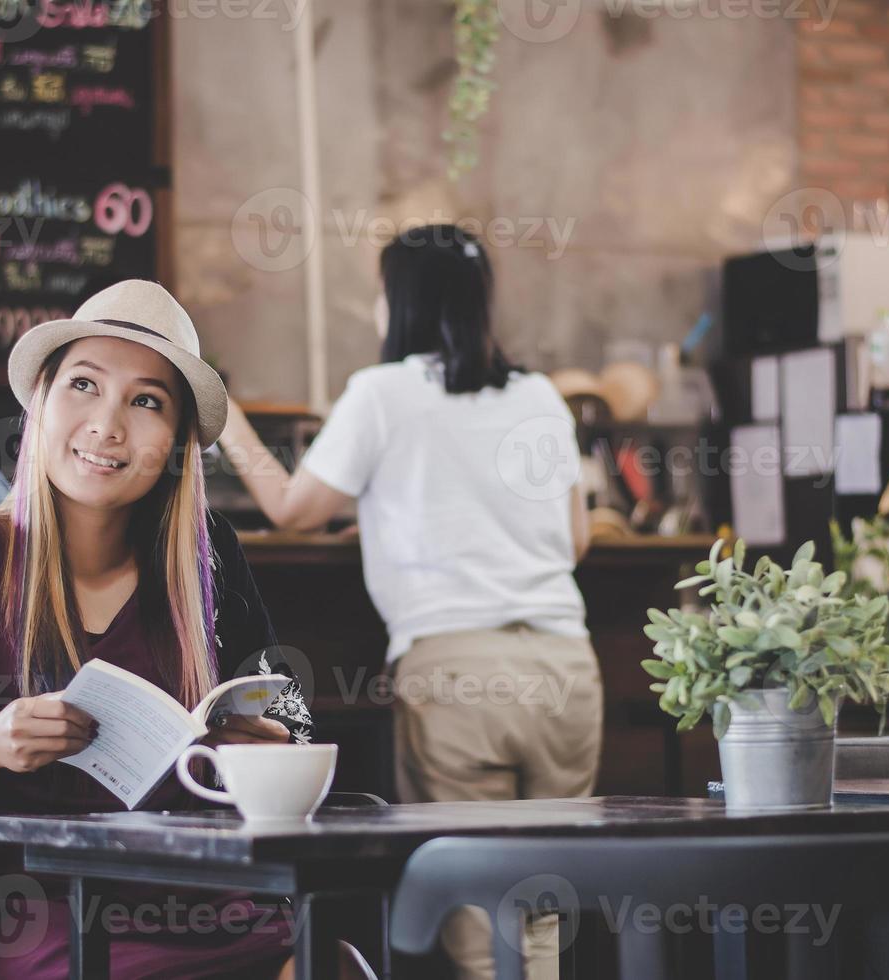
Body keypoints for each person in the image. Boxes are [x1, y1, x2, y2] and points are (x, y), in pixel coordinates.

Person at [0, 280, 371, 980]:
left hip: (199, 894)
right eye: (84, 385)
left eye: (146, 401)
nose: (108, 425)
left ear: (176, 441)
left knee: (331, 960)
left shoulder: (209, 555)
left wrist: (259, 743)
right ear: (40, 402)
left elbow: (284, 710)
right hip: (28, 904)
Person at [220, 224, 603, 979]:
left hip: (459, 672)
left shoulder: (382, 392)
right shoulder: (540, 394)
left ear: (397, 299)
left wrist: (223, 411)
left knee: (478, 924)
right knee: (541, 909)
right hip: (566, 667)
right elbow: (575, 538)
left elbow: (293, 508)